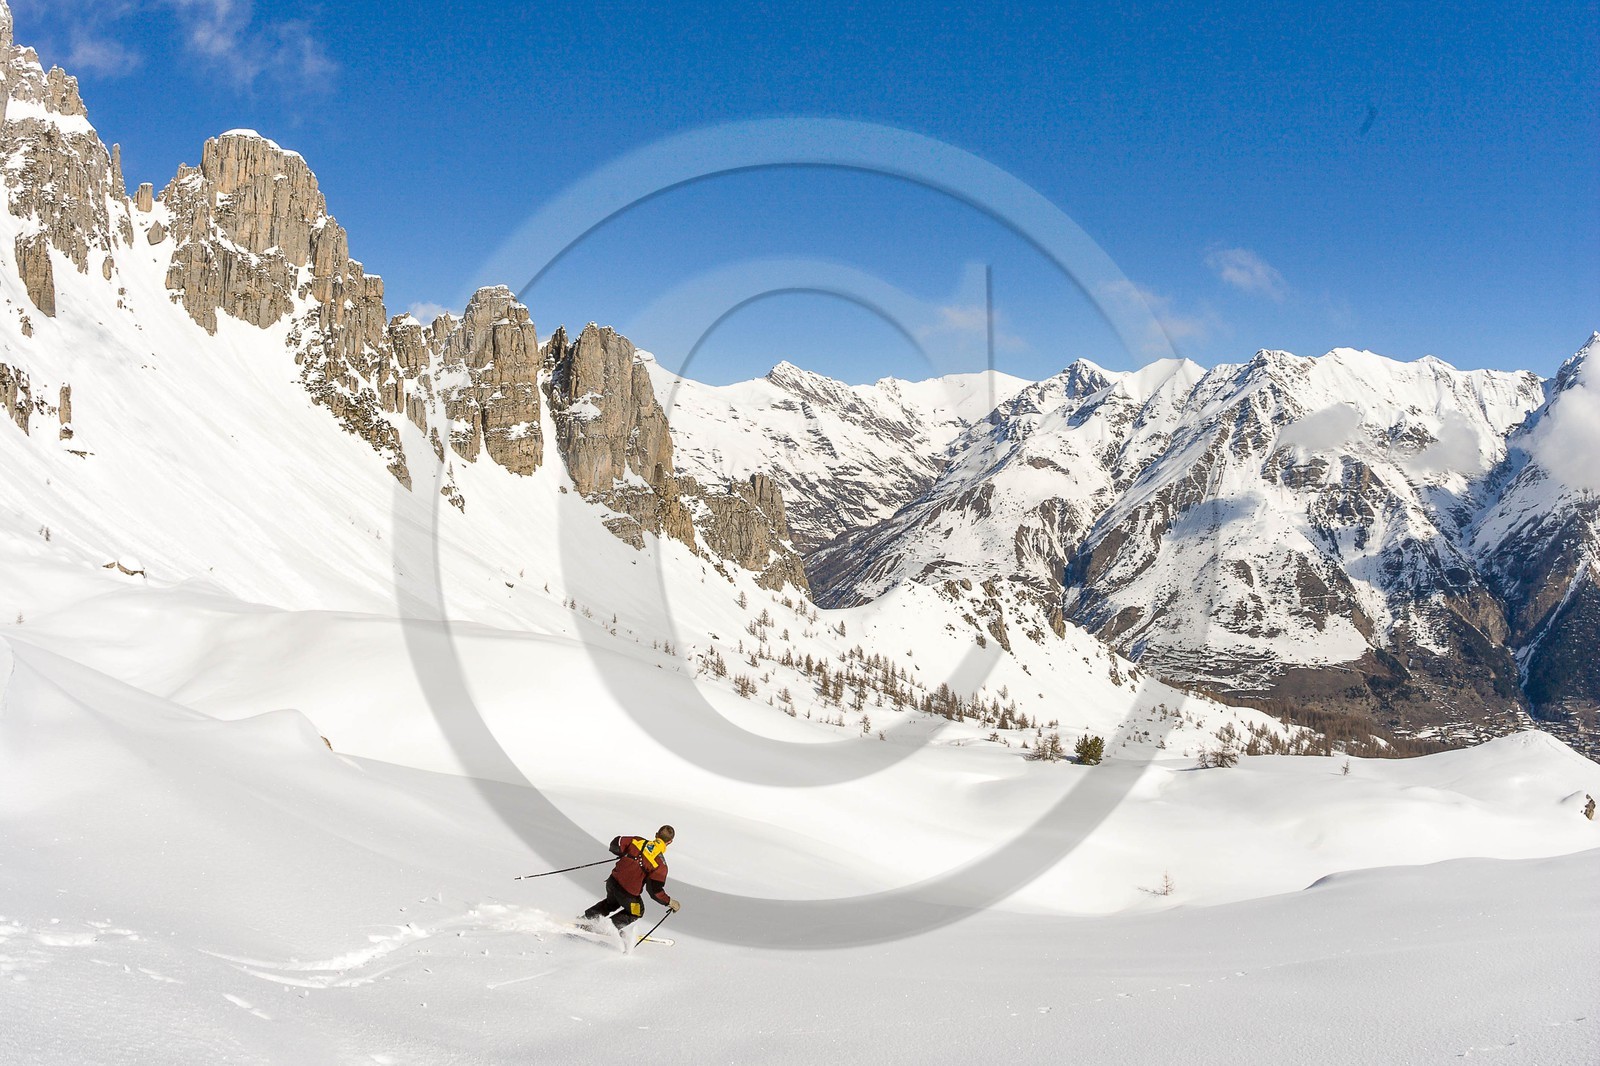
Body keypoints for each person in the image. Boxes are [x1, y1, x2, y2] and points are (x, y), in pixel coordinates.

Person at [581, 825, 681, 933]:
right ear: (670, 842)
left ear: (656, 835)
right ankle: (607, 929)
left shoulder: (638, 841)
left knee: (611, 903)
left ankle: (584, 920)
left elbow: (616, 844)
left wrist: (625, 854)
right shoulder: (661, 864)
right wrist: (670, 902)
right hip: (628, 895)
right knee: (637, 911)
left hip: (612, 883)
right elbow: (655, 891)